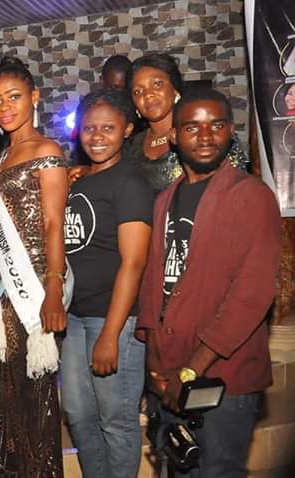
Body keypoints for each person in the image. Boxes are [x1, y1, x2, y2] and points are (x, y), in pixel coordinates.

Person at [138, 88, 281, 477]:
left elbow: (252, 296)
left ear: (231, 130)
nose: (205, 137)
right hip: (168, 377)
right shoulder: (165, 199)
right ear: (173, 136)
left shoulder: (251, 196)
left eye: (216, 126)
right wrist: (156, 366)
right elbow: (153, 284)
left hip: (222, 379)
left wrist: (189, 371)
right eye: (192, 127)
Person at [0, 56, 69, 477]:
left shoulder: (47, 150)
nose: (5, 108)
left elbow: (54, 223)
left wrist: (53, 288)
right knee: (6, 396)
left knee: (37, 399)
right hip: (4, 293)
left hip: (34, 289)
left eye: (14, 97)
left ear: (35, 97)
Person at [60, 89, 152, 478]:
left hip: (113, 319)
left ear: (127, 130)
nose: (97, 136)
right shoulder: (79, 179)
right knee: (78, 413)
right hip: (75, 316)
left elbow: (134, 263)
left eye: (108, 128)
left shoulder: (130, 183)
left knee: (116, 419)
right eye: (89, 128)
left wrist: (111, 335)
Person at [124, 53, 248, 191]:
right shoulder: (130, 147)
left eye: (157, 84)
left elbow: (237, 188)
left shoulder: (207, 136)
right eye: (138, 92)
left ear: (175, 90)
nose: (148, 95)